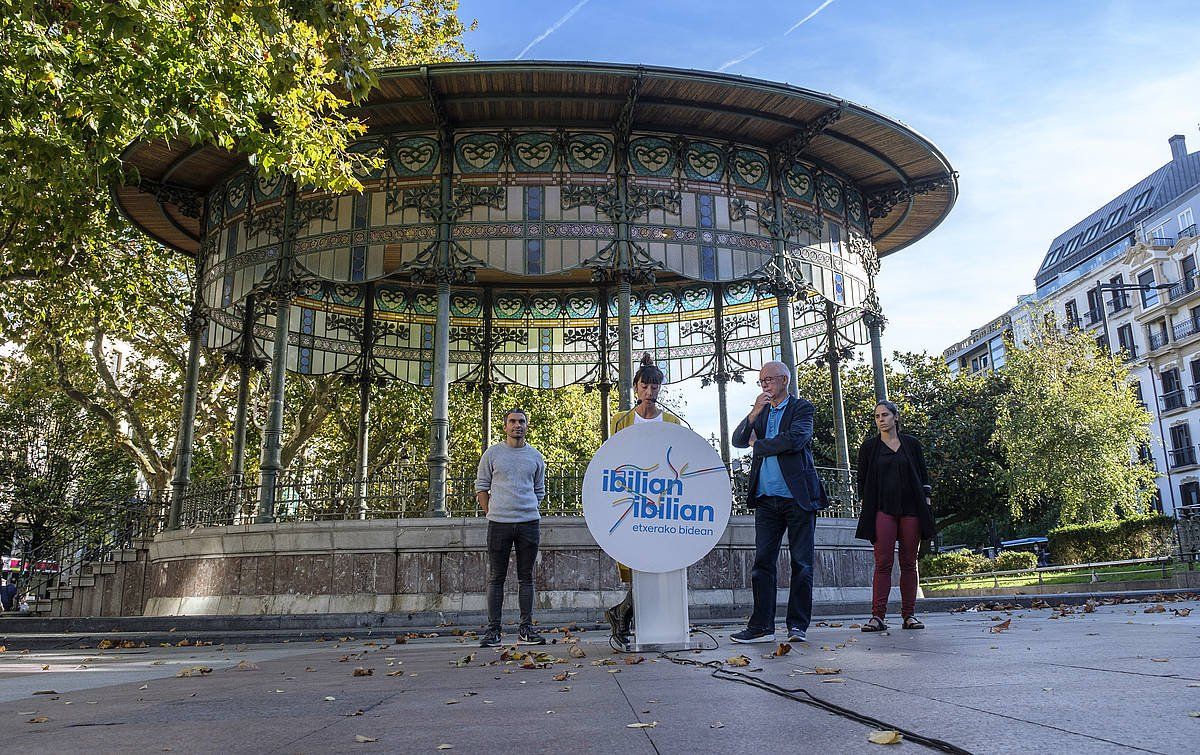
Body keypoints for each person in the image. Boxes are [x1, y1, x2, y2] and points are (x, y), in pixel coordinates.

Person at [729, 361, 825, 644]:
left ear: (784, 379)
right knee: (762, 563)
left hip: (798, 498)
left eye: (769, 380)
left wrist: (758, 445)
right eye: (761, 381)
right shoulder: (761, 413)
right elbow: (737, 440)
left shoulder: (802, 408)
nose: (765, 385)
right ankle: (761, 627)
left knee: (801, 563)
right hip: (766, 499)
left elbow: (795, 440)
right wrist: (754, 412)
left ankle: (797, 626)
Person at [604, 353, 683, 648]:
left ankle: (622, 614)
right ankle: (623, 615)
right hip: (630, 499)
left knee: (657, 560)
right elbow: (611, 457)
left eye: (654, 387)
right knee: (637, 559)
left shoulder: (672, 420)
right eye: (644, 387)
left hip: (662, 501)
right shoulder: (620, 420)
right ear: (635, 388)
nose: (649, 393)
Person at [855, 400, 935, 632]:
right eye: (877, 416)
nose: (881, 419)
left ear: (895, 417)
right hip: (882, 509)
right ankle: (877, 616)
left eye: (885, 415)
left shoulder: (912, 444)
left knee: (909, 562)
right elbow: (862, 479)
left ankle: (909, 615)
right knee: (883, 562)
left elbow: (923, 477)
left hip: (912, 509)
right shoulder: (869, 447)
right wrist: (865, 501)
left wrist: (927, 503)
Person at [476, 408, 548, 647]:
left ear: (527, 426)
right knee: (496, 578)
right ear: (505, 426)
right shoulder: (492, 454)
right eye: (513, 421)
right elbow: (481, 487)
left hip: (529, 523)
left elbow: (539, 491)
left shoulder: (536, 457)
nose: (517, 425)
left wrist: (526, 508)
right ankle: (493, 631)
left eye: (522, 421)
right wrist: (492, 512)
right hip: (499, 524)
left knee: (526, 578)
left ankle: (526, 629)